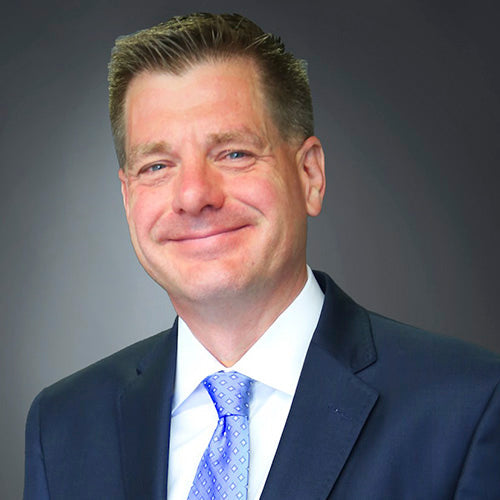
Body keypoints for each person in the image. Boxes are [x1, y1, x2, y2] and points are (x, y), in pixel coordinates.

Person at [24, 12, 500, 500]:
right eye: (158, 165)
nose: (194, 195)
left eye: (234, 154)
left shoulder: (470, 407)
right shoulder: (62, 426)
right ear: (128, 199)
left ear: (310, 175)